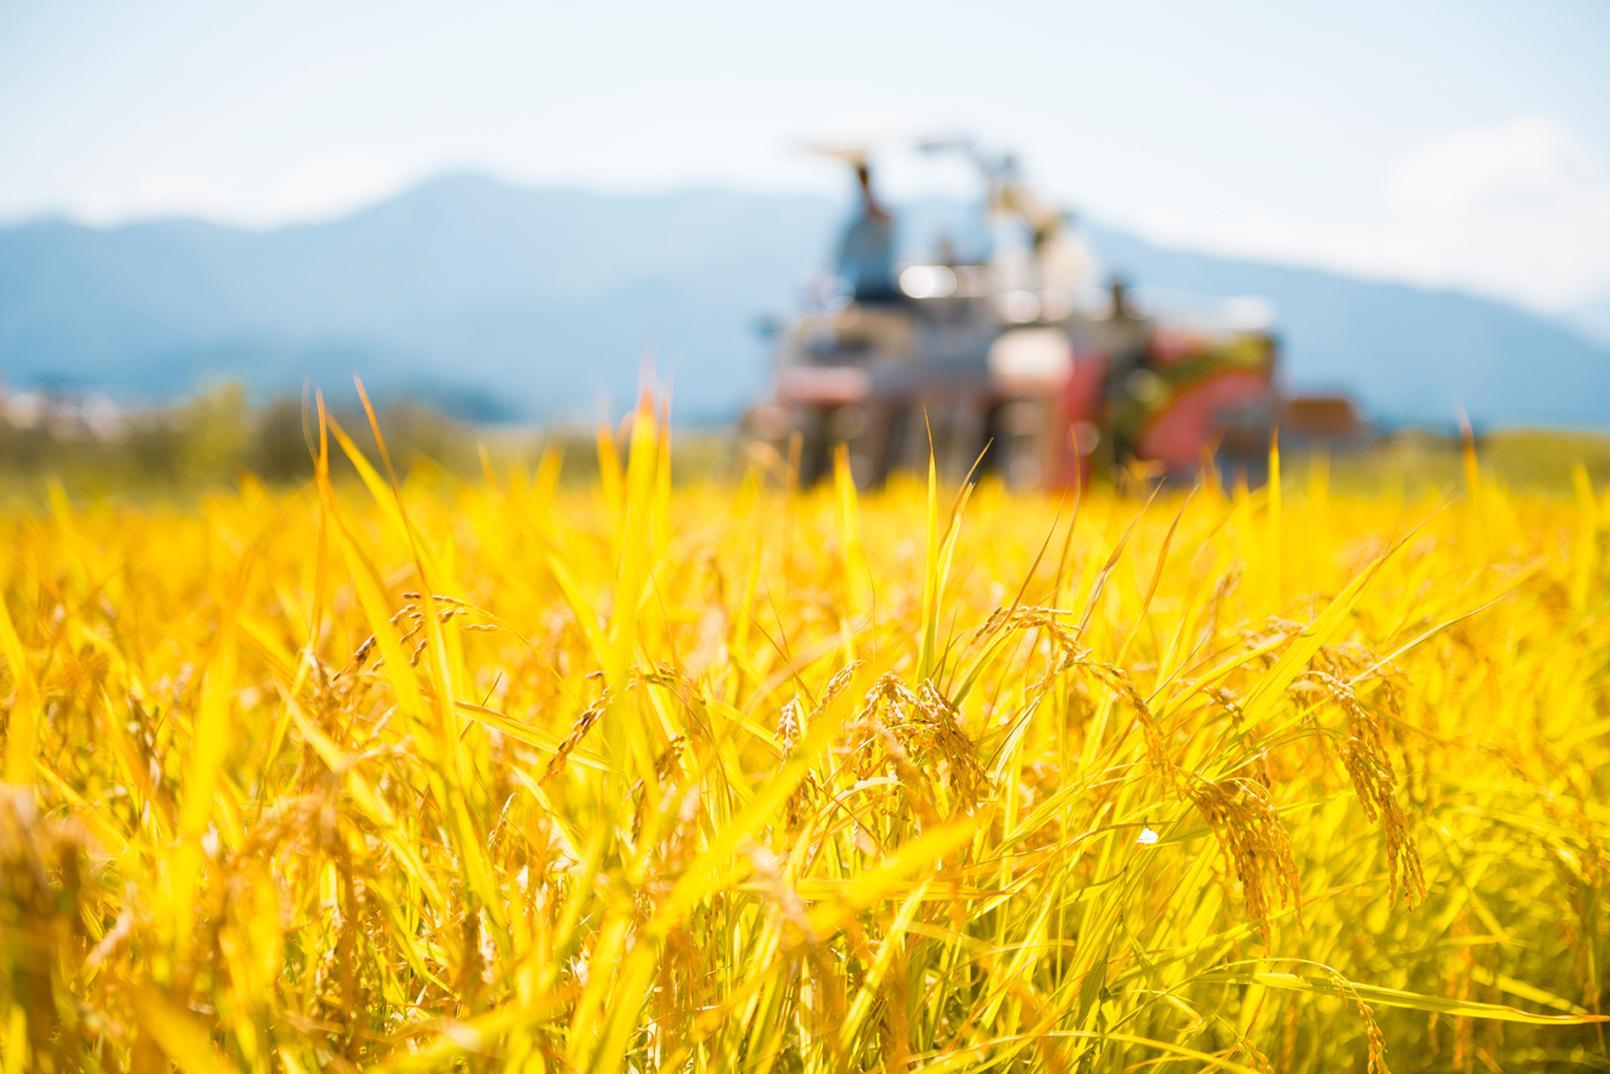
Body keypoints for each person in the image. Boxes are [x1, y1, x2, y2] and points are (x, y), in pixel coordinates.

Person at [836, 163, 901, 305]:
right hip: (866, 290)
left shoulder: (876, 222)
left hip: (879, 289)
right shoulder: (856, 226)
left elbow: (841, 260)